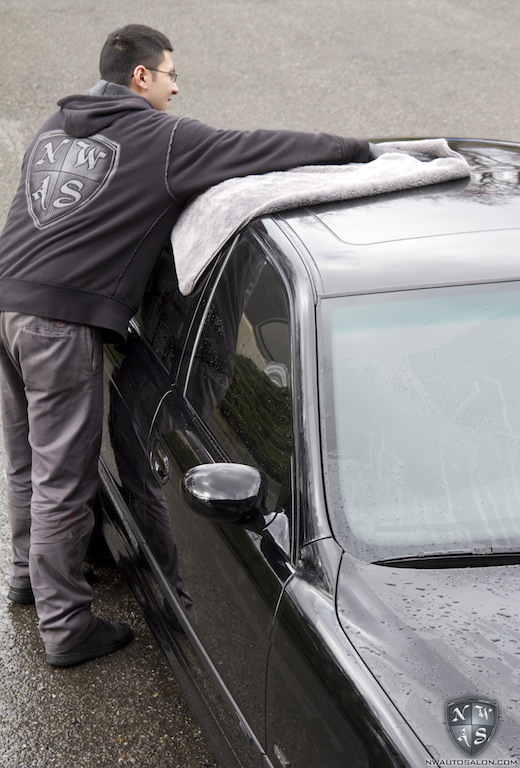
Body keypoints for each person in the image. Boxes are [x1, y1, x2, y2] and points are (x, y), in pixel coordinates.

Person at [0, 23, 376, 667]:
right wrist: (355, 149)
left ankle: (25, 579)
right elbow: (256, 148)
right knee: (64, 475)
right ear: (141, 77)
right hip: (60, 324)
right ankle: (64, 628)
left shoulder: (57, 125)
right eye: (171, 75)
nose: (176, 89)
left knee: (26, 460)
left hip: (8, 304)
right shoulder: (162, 138)